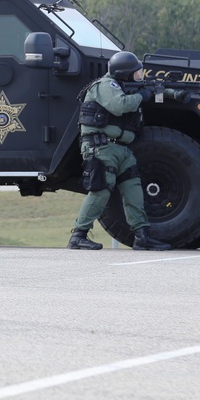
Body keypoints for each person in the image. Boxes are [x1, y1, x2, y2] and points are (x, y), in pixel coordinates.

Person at [67, 51, 187, 251]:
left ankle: (142, 237)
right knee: (101, 190)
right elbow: (119, 106)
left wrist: (173, 93)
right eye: (137, 73)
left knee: (134, 192)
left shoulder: (124, 86)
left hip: (122, 149)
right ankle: (78, 235)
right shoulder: (105, 86)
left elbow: (151, 89)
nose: (140, 77)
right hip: (102, 148)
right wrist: (143, 95)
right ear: (124, 74)